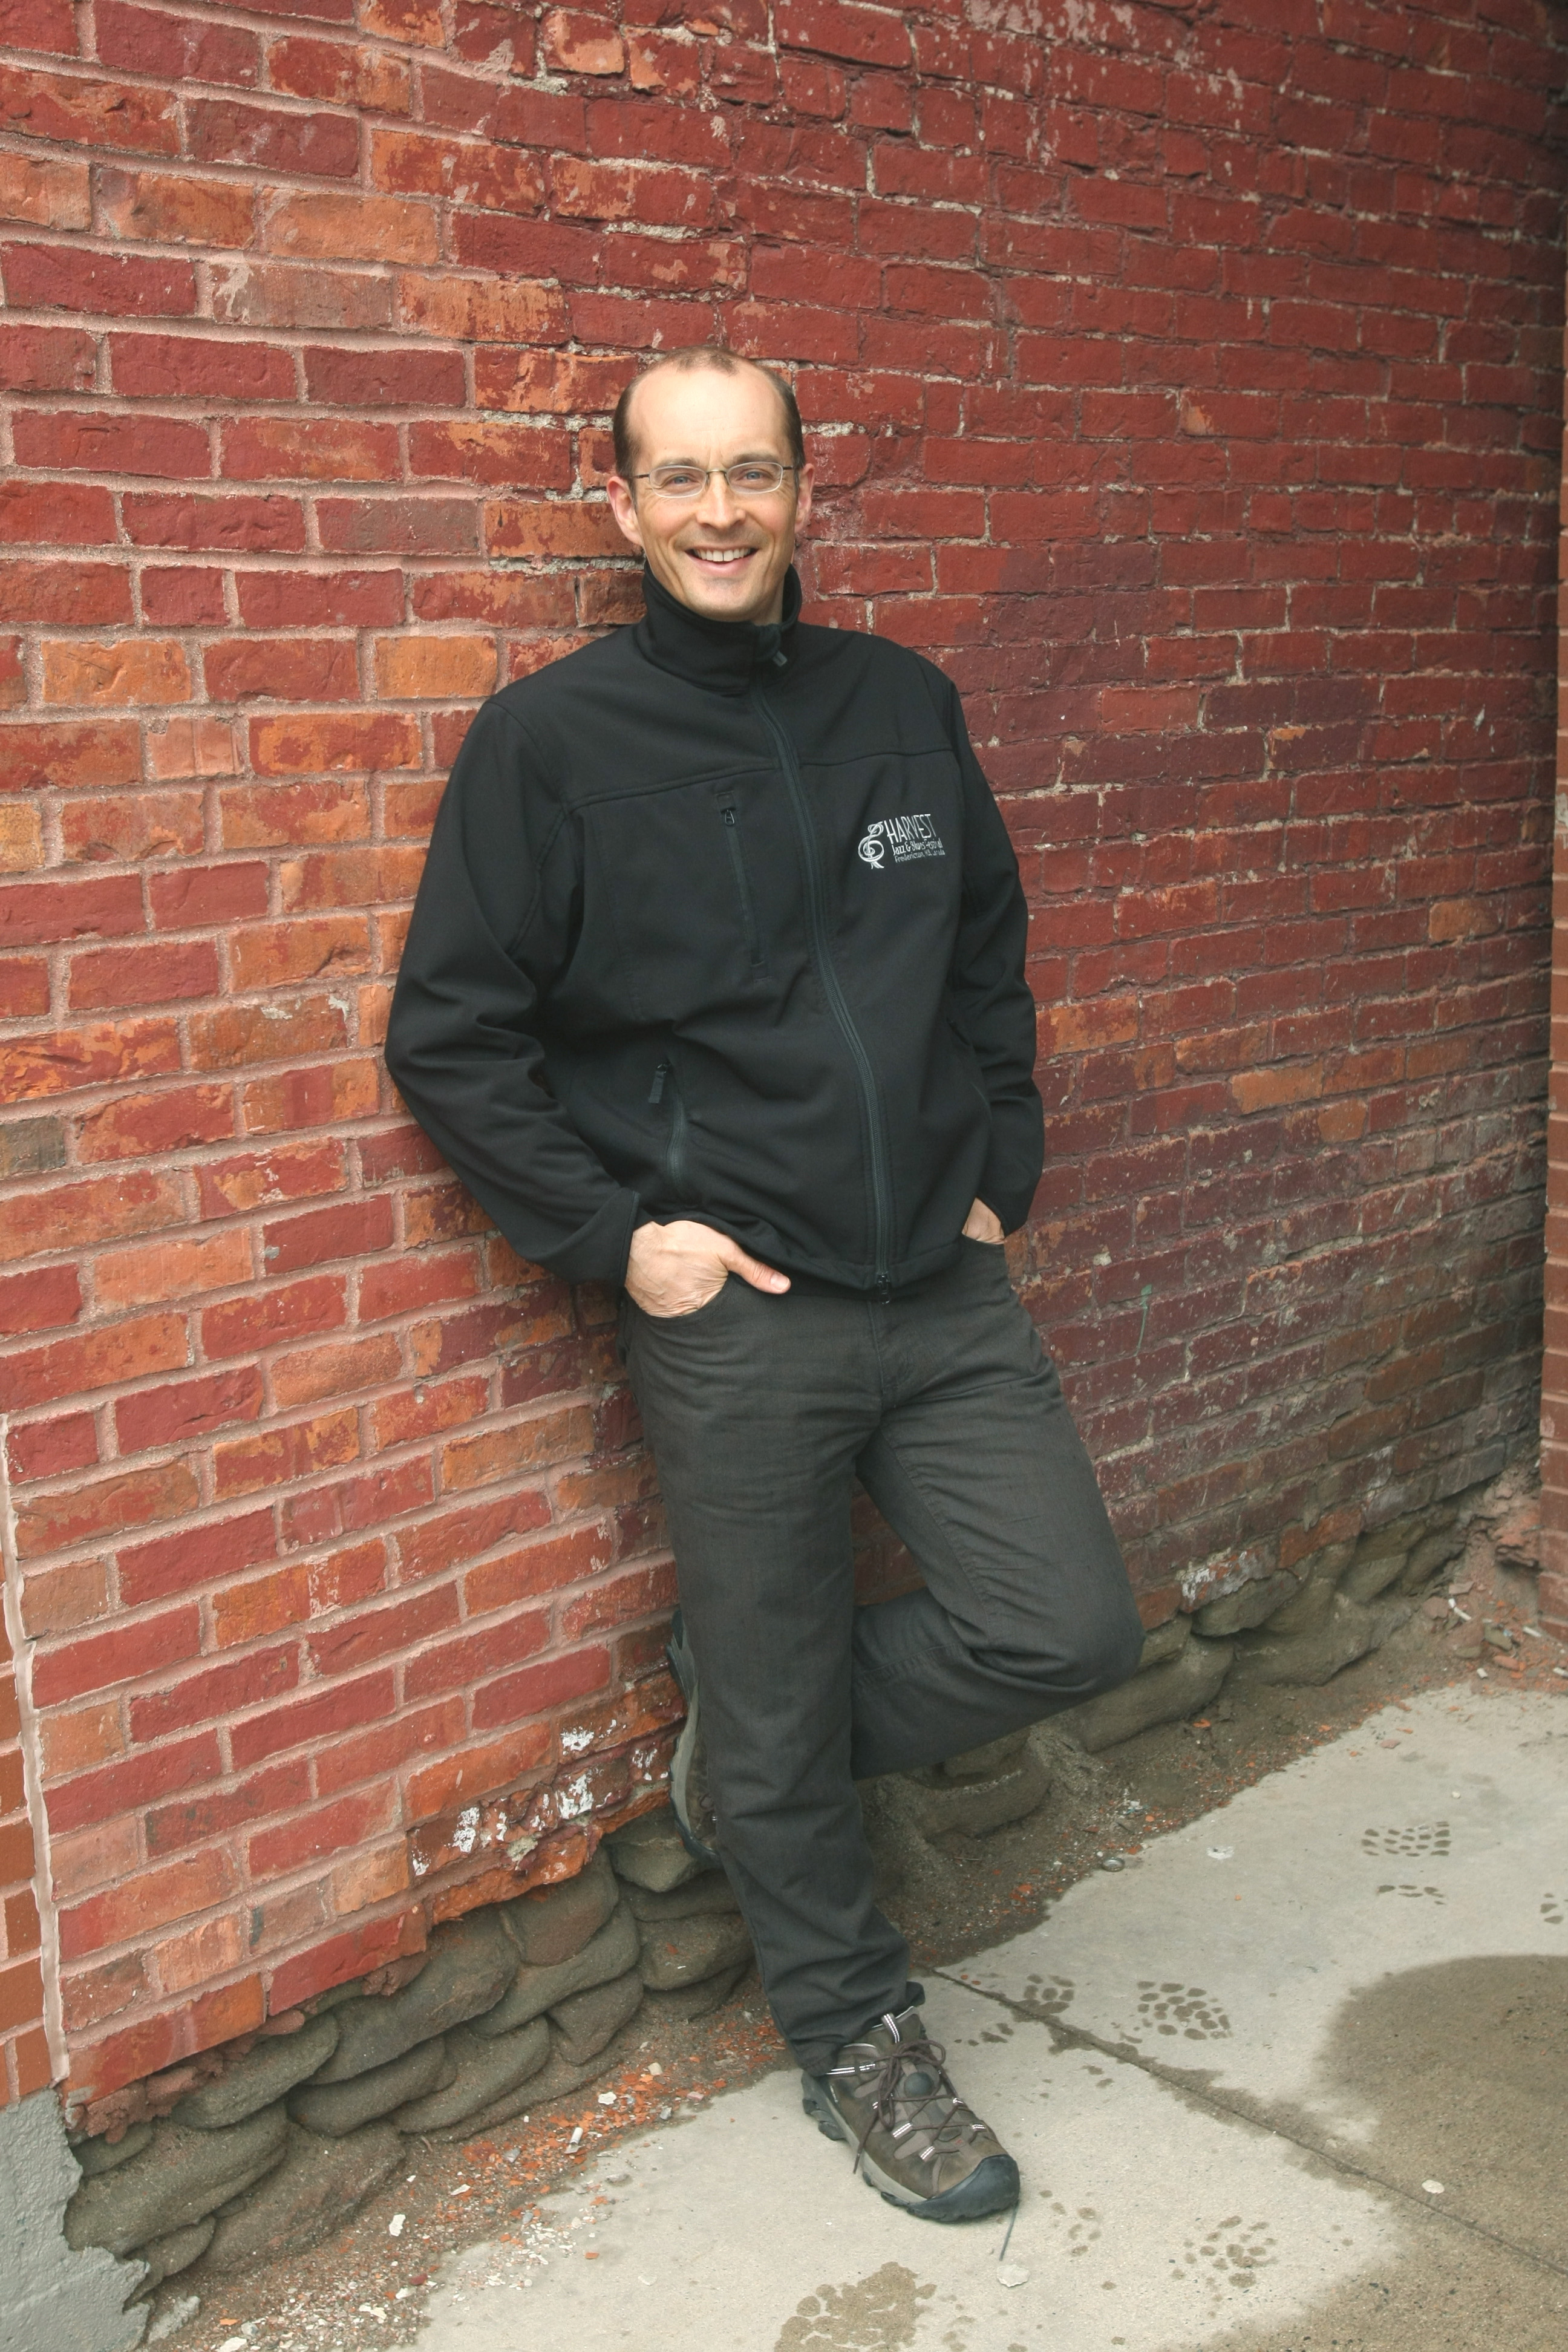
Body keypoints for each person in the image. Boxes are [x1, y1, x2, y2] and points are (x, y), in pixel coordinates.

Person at [385, 347, 1143, 2224]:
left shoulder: (905, 705)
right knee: (785, 1698)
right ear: (620, 507)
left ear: (808, 491)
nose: (721, 509)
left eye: (754, 472)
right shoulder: (550, 745)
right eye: (680, 477)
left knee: (1065, 1629)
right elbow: (453, 1035)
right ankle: (858, 2036)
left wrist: (1006, 1167)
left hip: (944, 1299)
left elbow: (987, 944)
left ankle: (760, 1743)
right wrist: (619, 1242)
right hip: (738, 1322)